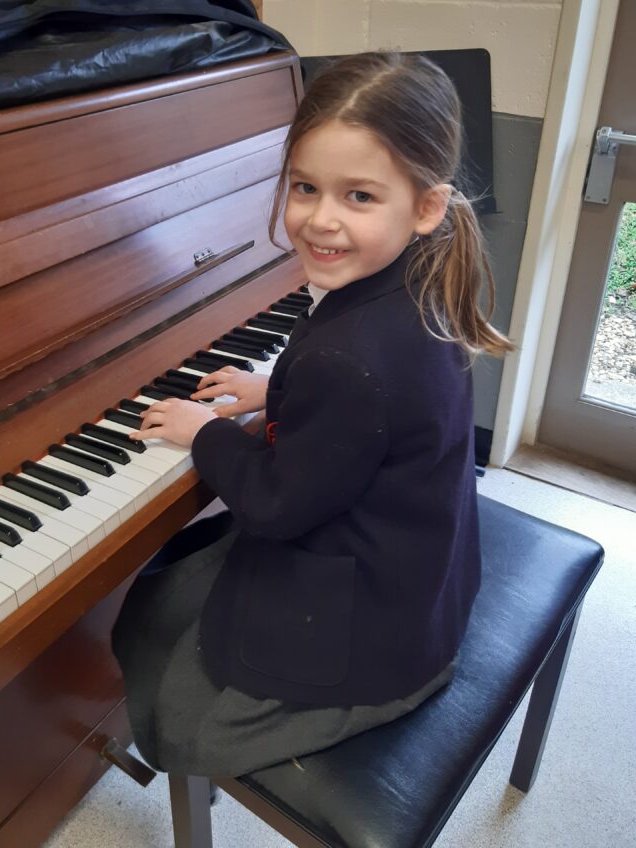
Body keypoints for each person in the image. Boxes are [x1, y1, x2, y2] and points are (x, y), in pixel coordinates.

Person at [111, 51, 514, 778]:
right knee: (174, 598)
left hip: (377, 632)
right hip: (424, 572)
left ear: (425, 206)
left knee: (169, 672)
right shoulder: (416, 279)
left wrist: (205, 434)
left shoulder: (351, 359)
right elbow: (374, 403)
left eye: (359, 197)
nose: (320, 220)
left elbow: (272, 504)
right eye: (304, 187)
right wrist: (278, 388)